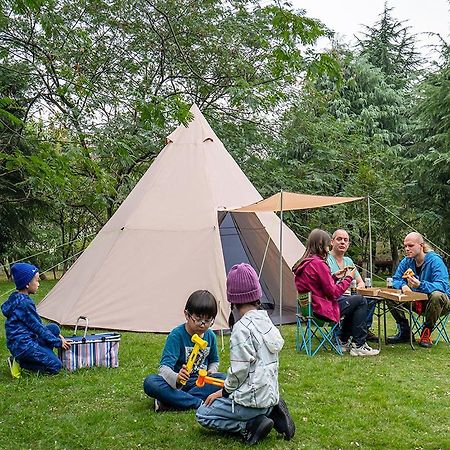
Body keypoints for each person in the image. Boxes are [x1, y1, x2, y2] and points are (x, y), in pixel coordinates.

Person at [196, 263, 295, 445]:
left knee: (202, 414)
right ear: (257, 293)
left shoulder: (241, 330)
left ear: (232, 298)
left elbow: (239, 371)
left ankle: (250, 425)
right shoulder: (267, 321)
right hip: (269, 395)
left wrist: (223, 392)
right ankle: (272, 411)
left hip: (249, 403)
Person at [293, 229, 379, 357]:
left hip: (310, 309)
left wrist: (333, 277)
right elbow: (333, 293)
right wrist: (348, 278)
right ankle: (358, 345)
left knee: (353, 302)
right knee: (360, 300)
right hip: (322, 310)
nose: (328, 247)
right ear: (322, 245)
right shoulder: (319, 264)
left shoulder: (306, 262)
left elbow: (317, 286)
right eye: (328, 244)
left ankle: (343, 340)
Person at [143, 289, 225, 412]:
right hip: (177, 386)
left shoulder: (210, 336)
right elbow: (164, 369)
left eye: (208, 321)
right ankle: (198, 403)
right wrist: (176, 377)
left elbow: (214, 360)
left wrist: (211, 372)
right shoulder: (176, 335)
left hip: (199, 384)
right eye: (198, 318)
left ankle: (169, 402)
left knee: (224, 379)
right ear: (187, 314)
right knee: (150, 382)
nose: (202, 324)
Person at [1, 262, 71, 376]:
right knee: (56, 366)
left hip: (25, 339)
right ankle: (20, 362)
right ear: (27, 284)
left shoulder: (17, 298)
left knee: (54, 328)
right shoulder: (24, 304)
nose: (38, 284)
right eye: (37, 280)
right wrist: (58, 342)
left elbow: (37, 324)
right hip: (23, 345)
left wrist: (57, 336)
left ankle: (39, 355)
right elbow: (38, 328)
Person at [387, 232, 450, 348]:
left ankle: (427, 331)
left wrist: (420, 285)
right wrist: (402, 285)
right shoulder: (407, 261)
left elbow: (442, 286)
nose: (407, 249)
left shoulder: (435, 261)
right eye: (405, 246)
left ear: (421, 245)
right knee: (389, 294)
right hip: (416, 301)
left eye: (410, 246)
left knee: (437, 295)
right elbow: (395, 279)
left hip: (439, 304)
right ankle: (405, 331)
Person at [327, 229, 378, 342]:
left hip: (350, 295)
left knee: (371, 299)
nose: (342, 242)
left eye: (345, 240)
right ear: (332, 242)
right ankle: (344, 333)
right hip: (335, 298)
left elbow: (360, 282)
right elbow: (328, 284)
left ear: (348, 244)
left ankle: (363, 328)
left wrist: (357, 288)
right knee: (359, 301)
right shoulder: (327, 259)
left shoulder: (348, 261)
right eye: (339, 239)